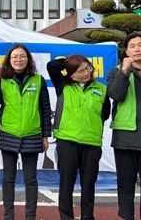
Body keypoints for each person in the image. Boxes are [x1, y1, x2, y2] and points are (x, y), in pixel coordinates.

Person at [0, 44, 52, 220]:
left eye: (22, 56)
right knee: (8, 179)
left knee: (30, 179)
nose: (18, 59)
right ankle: (9, 216)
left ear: (28, 59)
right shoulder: (3, 79)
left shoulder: (38, 80)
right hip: (9, 133)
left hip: (32, 135)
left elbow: (45, 109)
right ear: (9, 60)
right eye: (14, 56)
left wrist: (45, 136)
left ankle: (30, 216)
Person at [47, 54, 110, 220]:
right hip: (67, 141)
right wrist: (70, 62)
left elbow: (105, 113)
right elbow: (52, 66)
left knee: (88, 184)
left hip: (92, 142)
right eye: (80, 70)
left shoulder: (101, 89)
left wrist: (80, 64)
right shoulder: (62, 84)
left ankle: (87, 216)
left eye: (88, 67)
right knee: (66, 184)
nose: (86, 73)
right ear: (70, 73)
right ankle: (66, 217)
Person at [107, 31, 141, 220]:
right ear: (126, 51)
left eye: (140, 45)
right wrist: (124, 72)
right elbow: (116, 95)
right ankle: (126, 217)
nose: (137, 49)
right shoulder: (116, 71)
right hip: (125, 138)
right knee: (126, 184)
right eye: (133, 46)